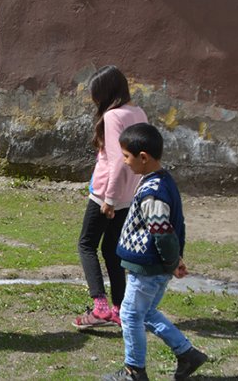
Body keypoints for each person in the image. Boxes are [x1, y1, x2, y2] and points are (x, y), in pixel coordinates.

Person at [103, 123, 208, 381]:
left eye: (126, 157)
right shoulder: (160, 180)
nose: (124, 162)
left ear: (143, 158)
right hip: (154, 267)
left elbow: (162, 232)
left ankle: (134, 370)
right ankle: (187, 354)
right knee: (145, 312)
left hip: (148, 269)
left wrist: (173, 261)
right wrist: (174, 260)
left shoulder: (154, 192)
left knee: (130, 314)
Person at [75, 66, 148, 329]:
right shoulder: (138, 112)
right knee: (112, 251)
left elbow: (117, 160)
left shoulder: (113, 116)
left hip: (107, 194)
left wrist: (108, 198)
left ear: (106, 93)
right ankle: (118, 309)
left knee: (86, 245)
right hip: (129, 194)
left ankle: (101, 307)